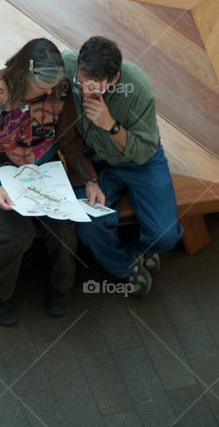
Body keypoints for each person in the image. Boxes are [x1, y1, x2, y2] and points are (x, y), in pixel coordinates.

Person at [0, 38, 104, 325]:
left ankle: (62, 286)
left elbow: (69, 140)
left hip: (44, 169)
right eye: (43, 87)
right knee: (17, 235)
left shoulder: (59, 90)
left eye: (54, 86)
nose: (51, 92)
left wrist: (89, 179)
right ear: (25, 76)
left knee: (65, 231)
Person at [62, 36, 183, 298]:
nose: (84, 94)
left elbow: (144, 150)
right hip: (95, 162)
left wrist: (111, 125)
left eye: (93, 89)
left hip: (138, 161)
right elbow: (30, 66)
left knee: (165, 237)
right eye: (80, 85)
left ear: (113, 80)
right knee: (89, 227)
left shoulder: (139, 89)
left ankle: (140, 246)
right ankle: (125, 266)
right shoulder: (68, 65)